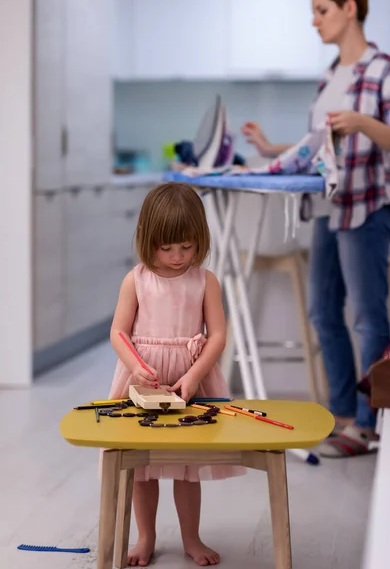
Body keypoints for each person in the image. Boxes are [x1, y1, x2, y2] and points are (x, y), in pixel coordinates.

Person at [242, 0, 390, 458]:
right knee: (322, 312)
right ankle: (342, 417)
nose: (315, 21)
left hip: (367, 207)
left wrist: (361, 121)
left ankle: (370, 426)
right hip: (329, 209)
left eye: (322, 10)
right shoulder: (330, 77)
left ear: (349, 9)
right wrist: (272, 147)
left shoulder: (384, 71)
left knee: (368, 318)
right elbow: (320, 148)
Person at [108, 182, 244, 566]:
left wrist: (196, 375)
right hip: (143, 382)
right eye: (165, 248)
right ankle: (145, 536)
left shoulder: (206, 281)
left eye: (186, 246)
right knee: (142, 467)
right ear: (147, 240)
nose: (177, 257)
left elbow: (217, 335)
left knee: (188, 468)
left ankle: (190, 537)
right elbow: (118, 332)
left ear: (199, 239)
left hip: (190, 381)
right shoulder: (135, 280)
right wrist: (136, 366)